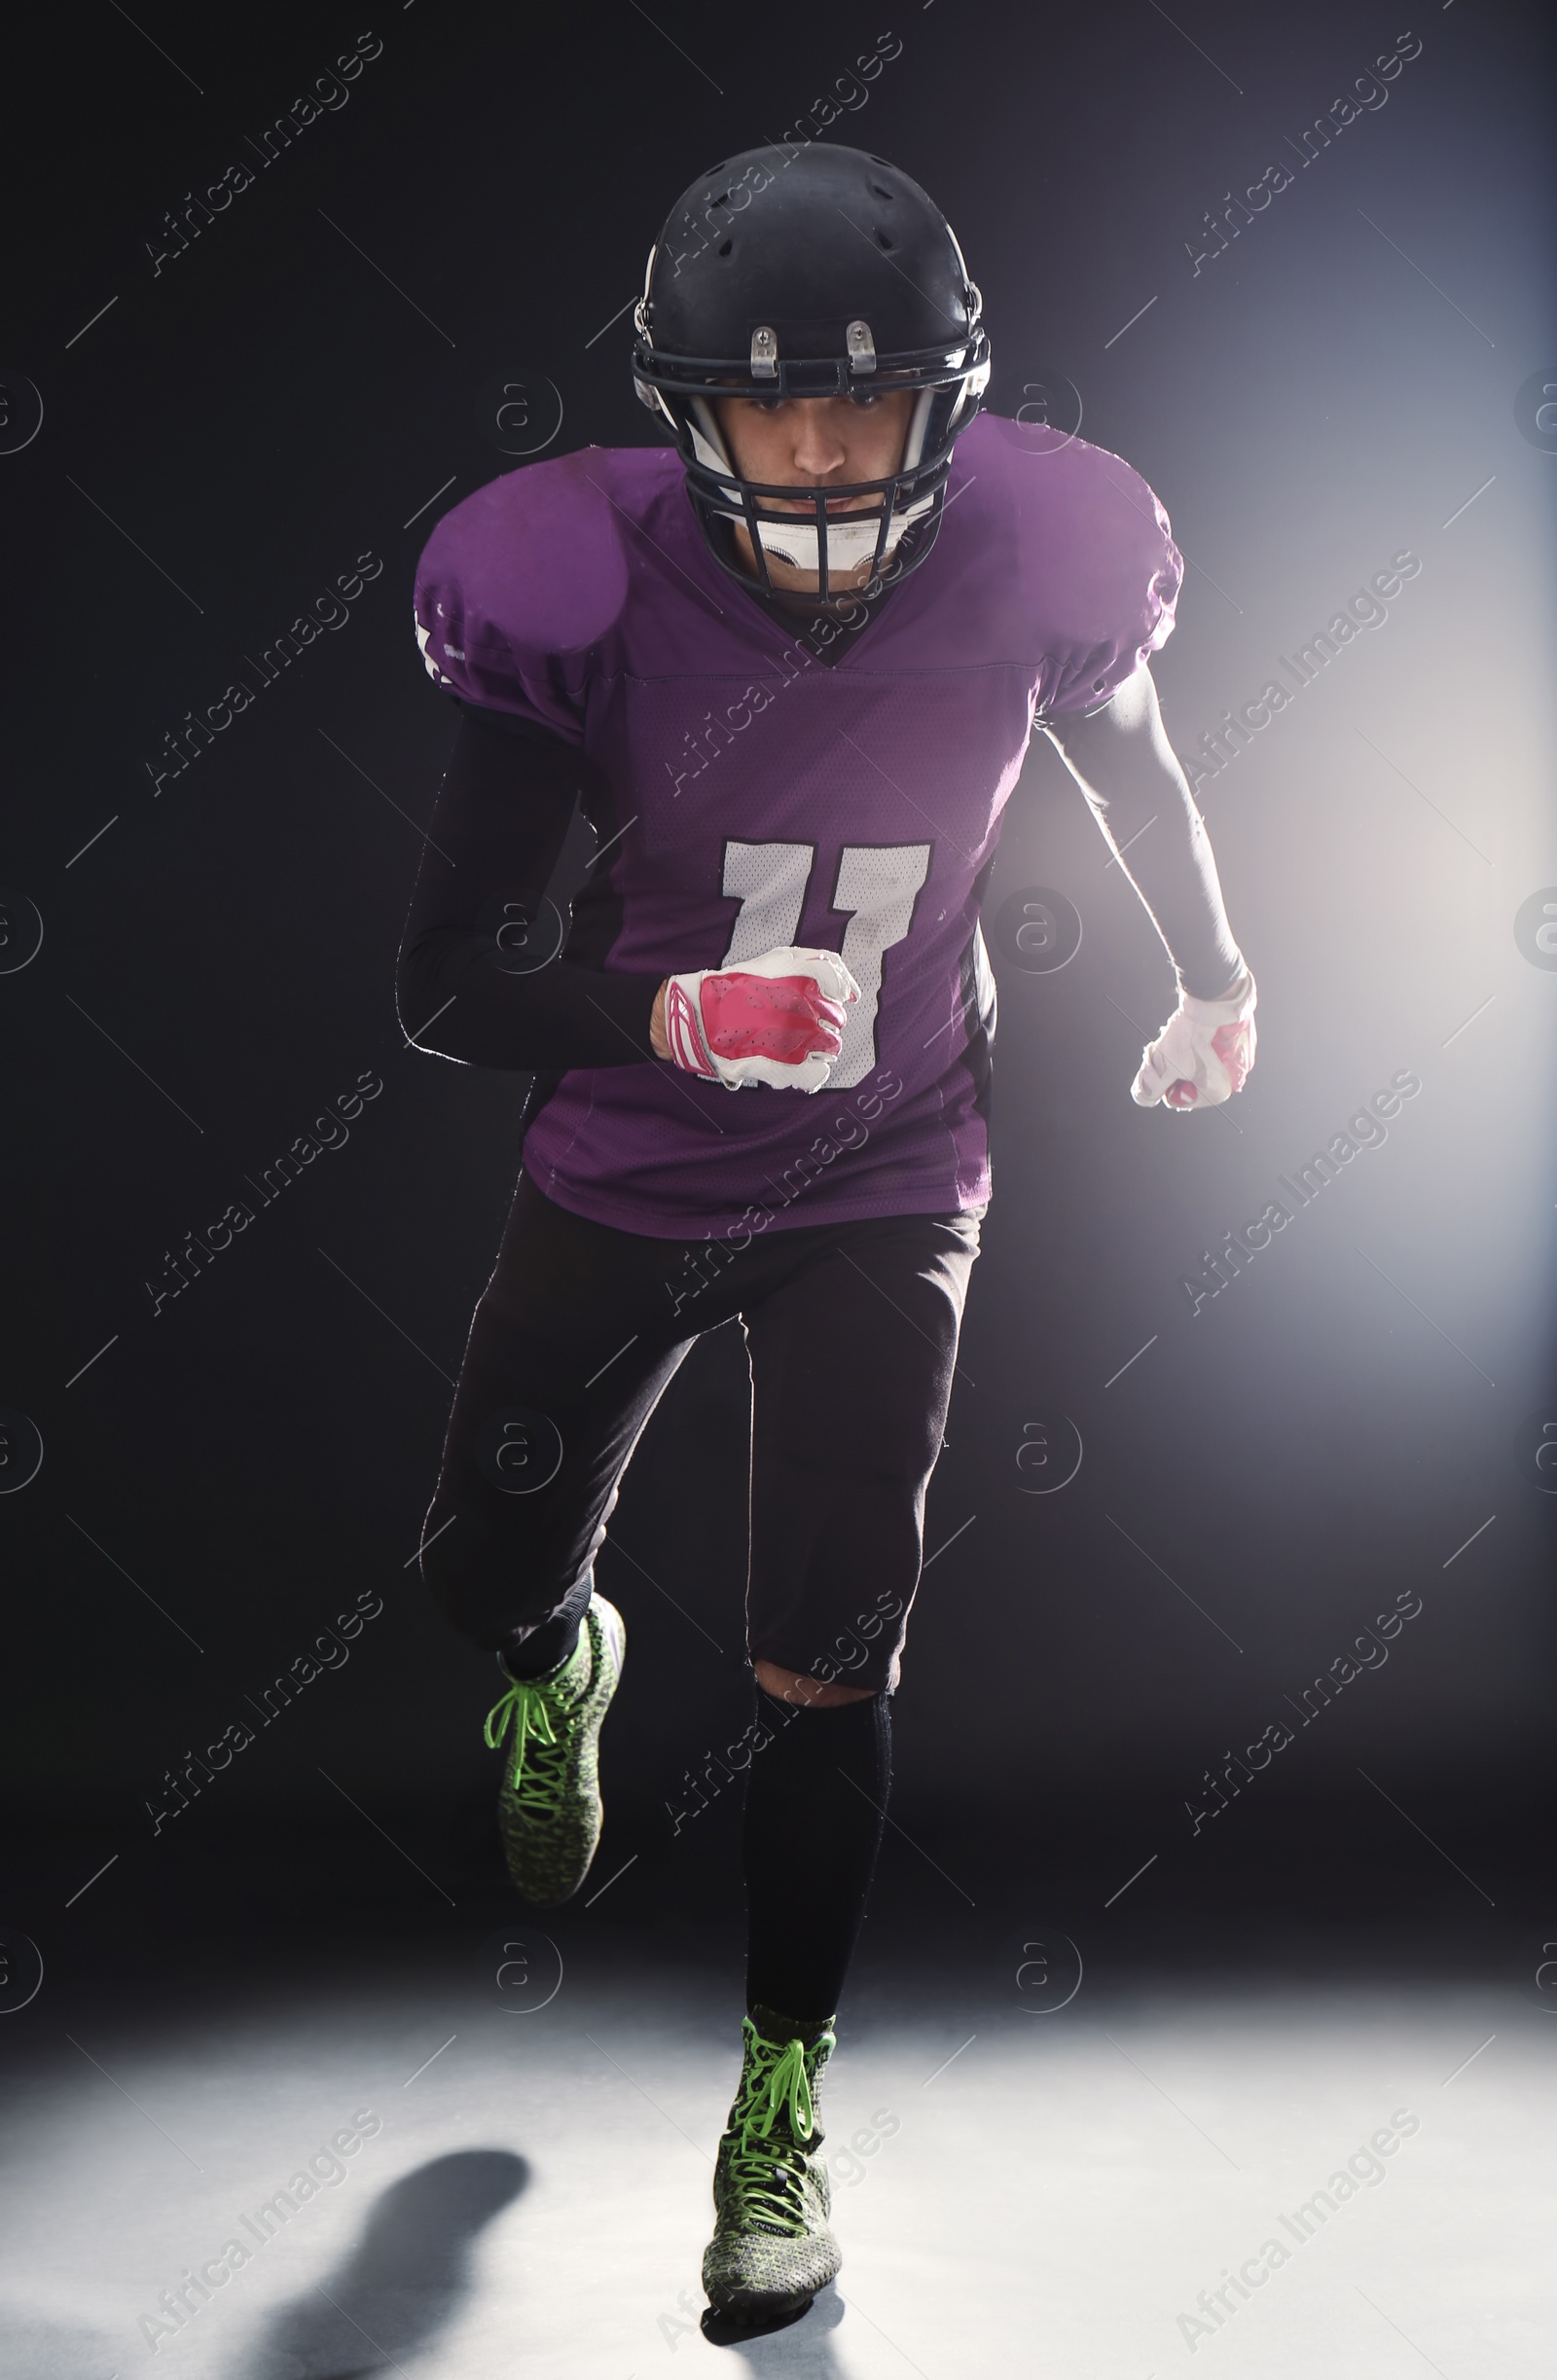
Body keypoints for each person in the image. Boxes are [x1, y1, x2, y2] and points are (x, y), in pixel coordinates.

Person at [398, 141, 1254, 2327]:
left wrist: (1212, 971)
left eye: (859, 410)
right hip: (626, 1154)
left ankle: (775, 2105)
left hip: (889, 1167)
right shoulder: (571, 581)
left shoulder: (1043, 557)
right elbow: (447, 975)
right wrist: (670, 1008)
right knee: (478, 1567)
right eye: (771, 409)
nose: (811, 456)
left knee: (828, 1657)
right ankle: (548, 1655)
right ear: (684, 412)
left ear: (942, 409)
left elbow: (1134, 763)